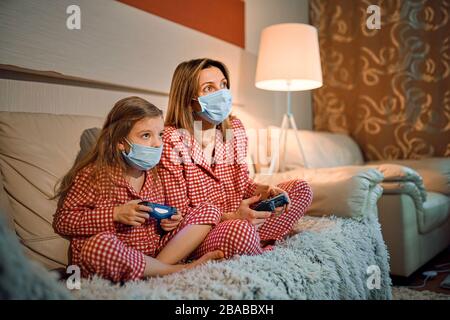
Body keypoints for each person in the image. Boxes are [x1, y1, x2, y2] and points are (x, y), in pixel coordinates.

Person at [53, 96, 223, 283]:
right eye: (146, 135)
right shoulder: (94, 175)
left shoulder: (156, 173)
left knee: (209, 209)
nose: (157, 144)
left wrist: (170, 221)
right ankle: (177, 270)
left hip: (154, 253)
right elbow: (64, 220)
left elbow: (169, 215)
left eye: (160, 135)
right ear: (120, 141)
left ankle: (158, 269)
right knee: (99, 245)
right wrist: (115, 214)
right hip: (114, 255)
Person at [158, 58, 314, 260]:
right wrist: (232, 217)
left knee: (301, 189)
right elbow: (178, 216)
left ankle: (251, 241)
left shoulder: (234, 128)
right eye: (208, 88)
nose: (221, 94)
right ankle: (252, 240)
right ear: (188, 99)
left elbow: (242, 186)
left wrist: (263, 191)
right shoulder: (170, 140)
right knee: (240, 231)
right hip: (202, 232)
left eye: (223, 85)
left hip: (242, 218)